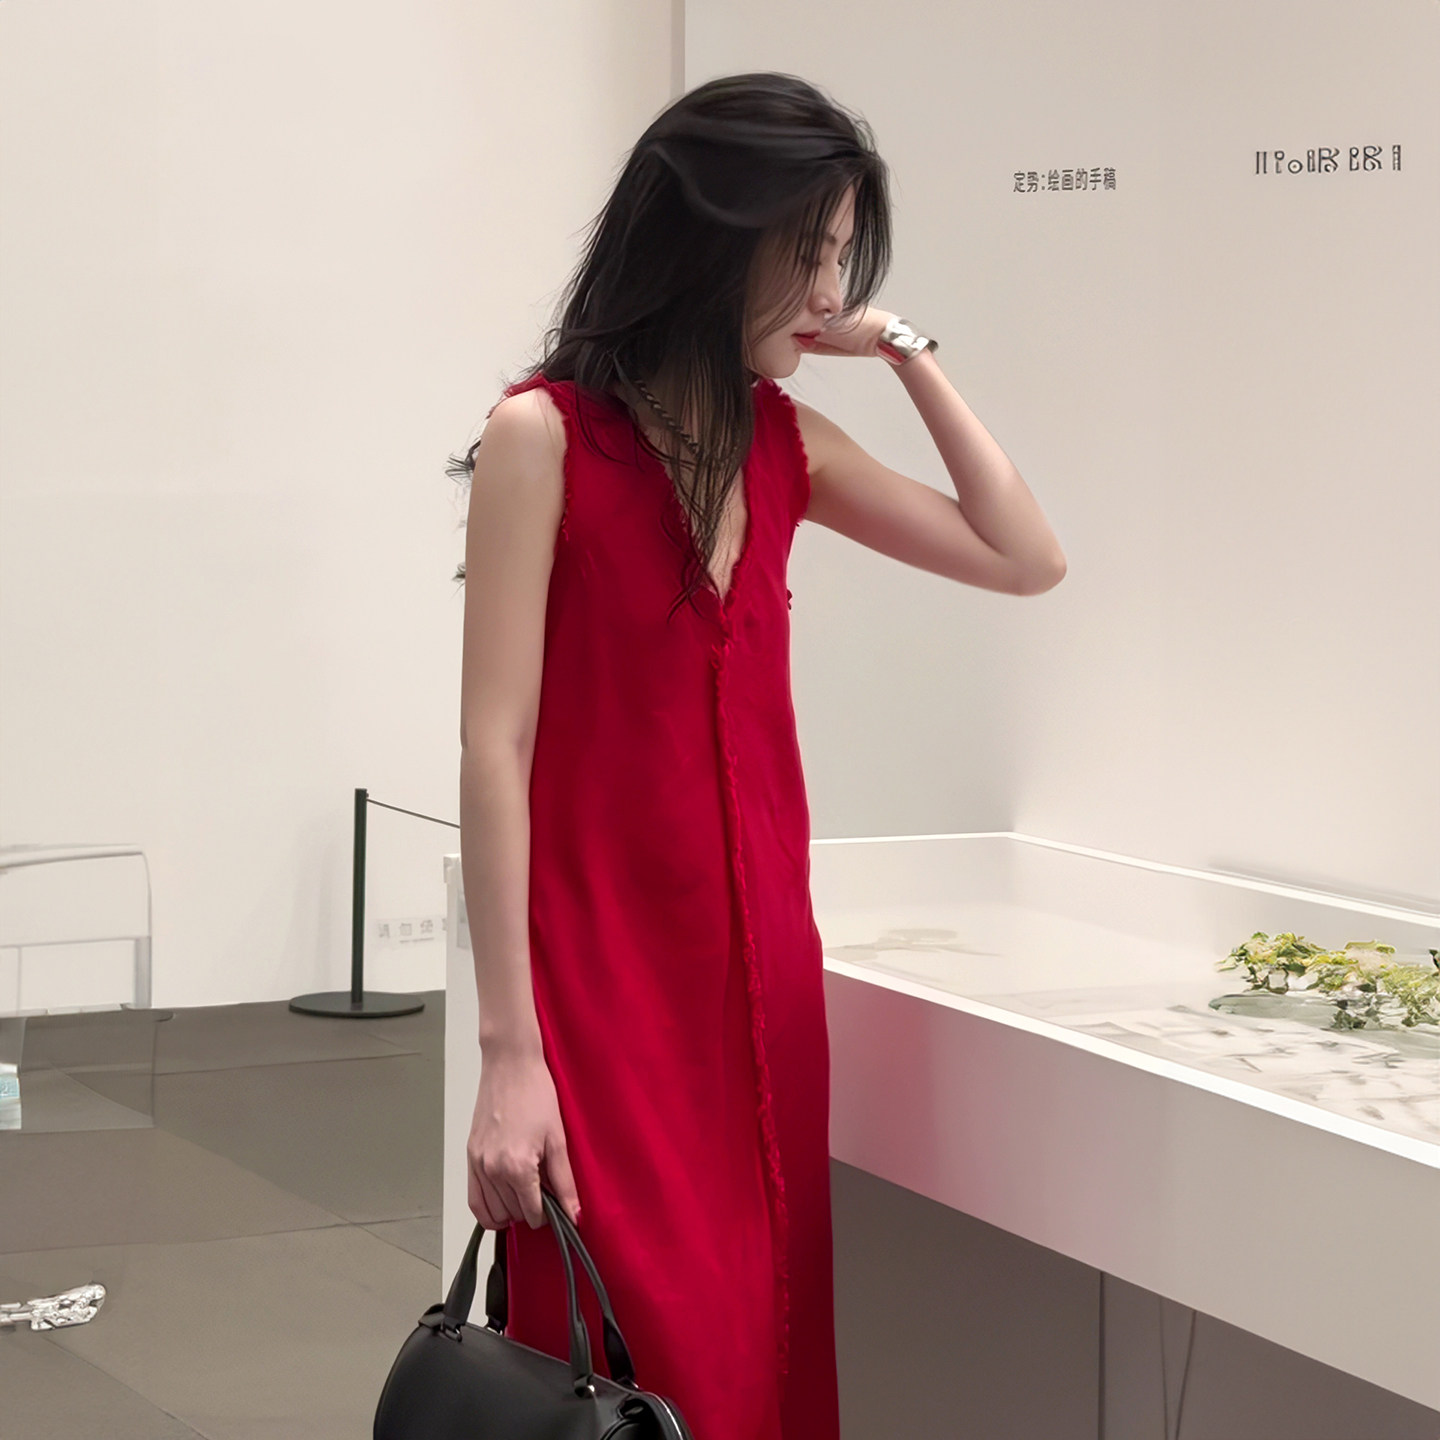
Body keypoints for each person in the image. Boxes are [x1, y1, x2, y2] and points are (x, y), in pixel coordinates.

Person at [454, 71, 1066, 1440]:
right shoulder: (541, 438)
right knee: (629, 1370)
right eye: (812, 251)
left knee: (769, 1353)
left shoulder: (787, 443)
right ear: (714, 234)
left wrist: (906, 349)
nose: (831, 290)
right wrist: (509, 1051)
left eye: (845, 257)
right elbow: (495, 745)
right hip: (601, 991)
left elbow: (1024, 556)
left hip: (762, 992)